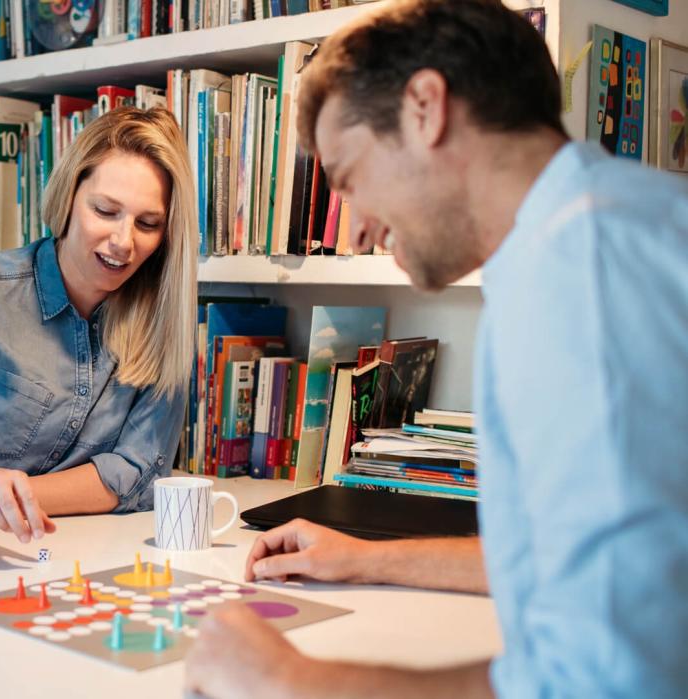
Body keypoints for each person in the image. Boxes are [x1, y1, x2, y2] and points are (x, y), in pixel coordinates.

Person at [185, 0, 688, 696]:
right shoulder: (619, 219)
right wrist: (363, 559)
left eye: (351, 176)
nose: (355, 230)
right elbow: (574, 561)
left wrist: (288, 679)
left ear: (425, 106)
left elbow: (601, 682)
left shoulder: (578, 274)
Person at [0, 107, 197, 543]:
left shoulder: (165, 323)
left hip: (80, 557)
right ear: (69, 196)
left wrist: (8, 502)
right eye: (106, 211)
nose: (124, 242)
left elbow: (137, 472)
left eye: (148, 224)